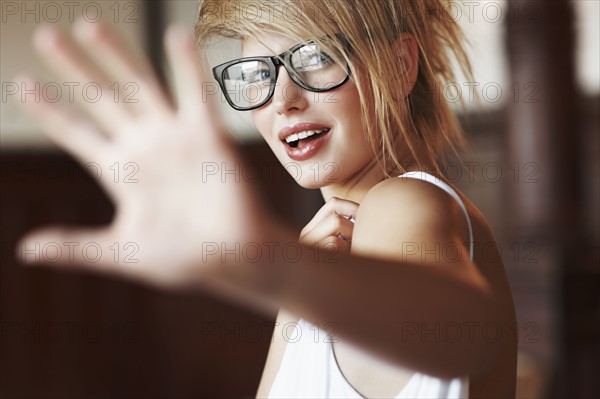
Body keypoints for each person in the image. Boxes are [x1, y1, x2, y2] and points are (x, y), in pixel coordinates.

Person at [15, 0, 517, 397]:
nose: (283, 99)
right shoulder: (322, 254)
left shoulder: (404, 203)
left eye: (317, 58)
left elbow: (464, 333)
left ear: (401, 64)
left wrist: (271, 263)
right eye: (257, 72)